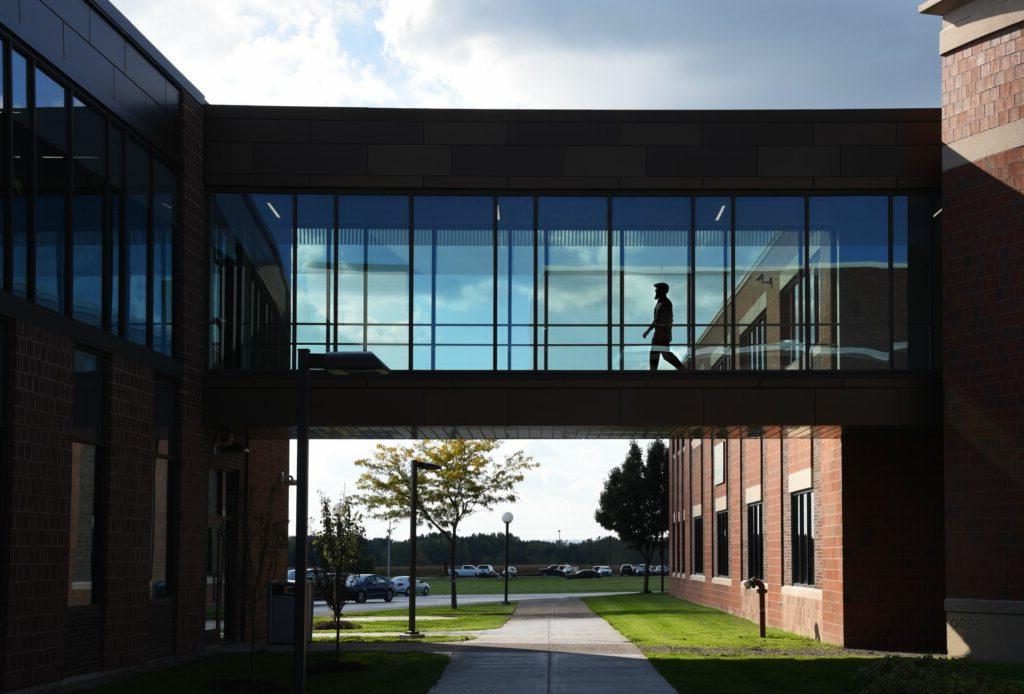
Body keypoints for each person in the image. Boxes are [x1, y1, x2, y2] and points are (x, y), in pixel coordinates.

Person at [643, 282, 684, 371]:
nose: (656, 291)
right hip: (659, 333)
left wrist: (648, 331)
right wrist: (648, 331)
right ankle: (681, 368)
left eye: (657, 290)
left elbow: (662, 320)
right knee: (659, 354)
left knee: (661, 354)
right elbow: (657, 320)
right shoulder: (660, 303)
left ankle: (682, 369)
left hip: (662, 334)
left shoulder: (666, 303)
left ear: (662, 291)